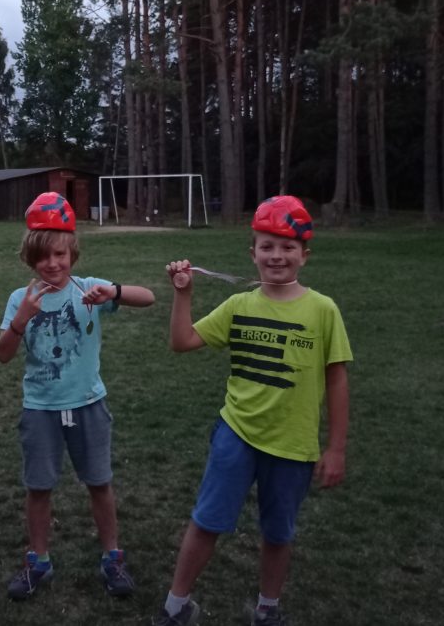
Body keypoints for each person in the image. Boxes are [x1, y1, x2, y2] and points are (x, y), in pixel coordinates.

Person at [153, 195, 352, 626]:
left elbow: (337, 379)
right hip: (236, 435)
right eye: (267, 246)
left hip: (293, 445)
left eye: (287, 247)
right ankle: (176, 606)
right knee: (207, 521)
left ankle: (267, 609)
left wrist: (336, 447)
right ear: (253, 253)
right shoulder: (238, 306)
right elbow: (182, 342)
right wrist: (183, 295)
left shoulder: (323, 310)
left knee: (278, 533)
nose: (277, 255)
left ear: (304, 255)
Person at [0, 191, 155, 601]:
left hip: (88, 404)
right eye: (43, 256)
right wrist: (20, 320)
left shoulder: (89, 289)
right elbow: (2, 355)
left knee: (99, 482)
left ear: (72, 253)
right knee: (39, 487)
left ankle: (112, 557)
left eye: (60, 254)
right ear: (30, 258)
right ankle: (38, 561)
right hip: (40, 409)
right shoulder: (19, 299)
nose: (52, 264)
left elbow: (148, 298)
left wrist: (113, 292)